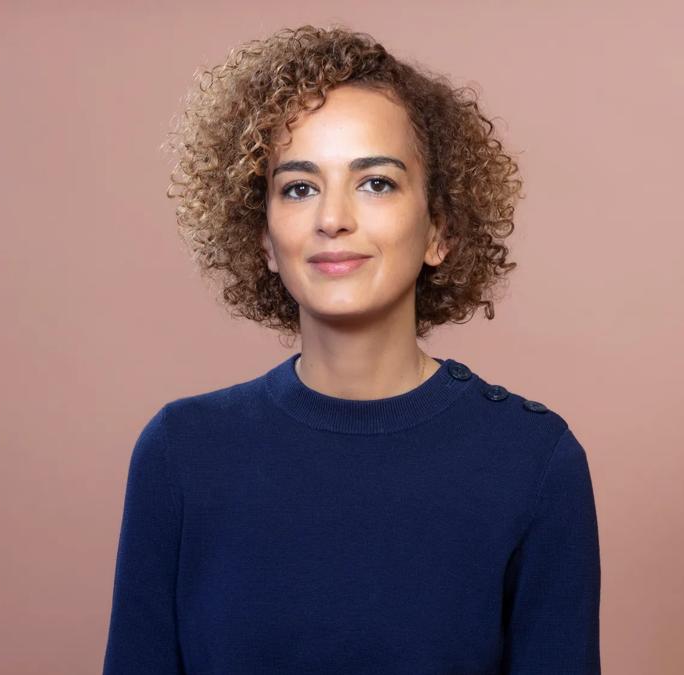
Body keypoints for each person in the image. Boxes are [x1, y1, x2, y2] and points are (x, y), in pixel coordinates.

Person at [102, 24, 601, 674]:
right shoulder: (181, 455)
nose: (332, 217)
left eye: (376, 183)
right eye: (300, 187)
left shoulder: (533, 463)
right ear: (264, 239)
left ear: (439, 232)